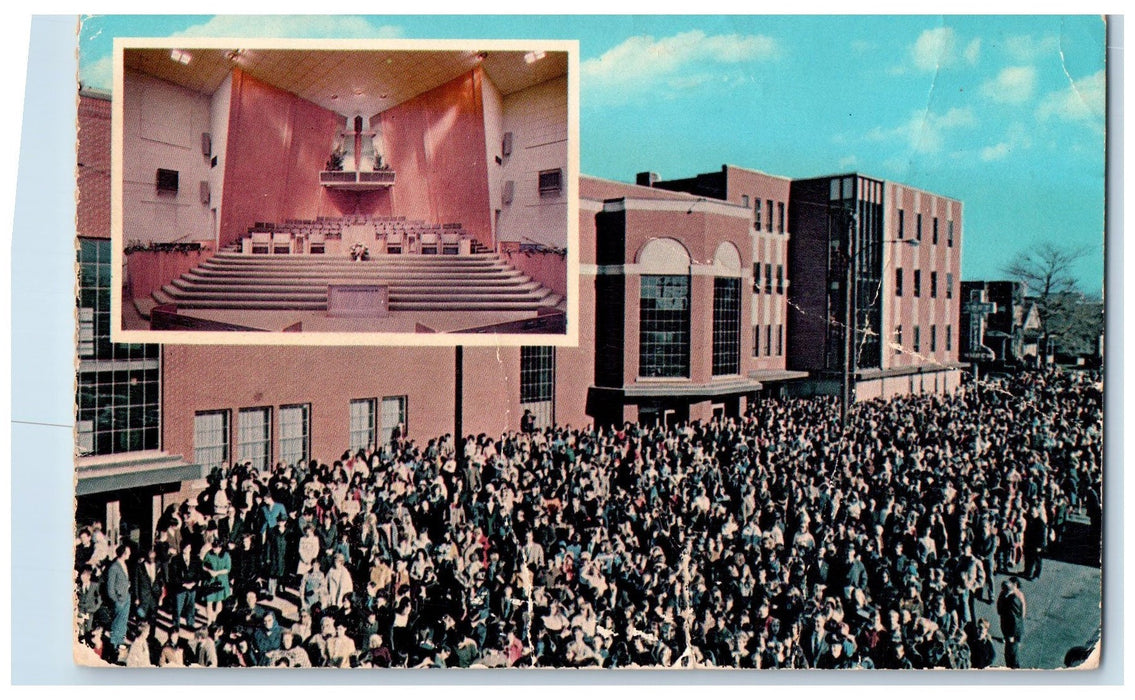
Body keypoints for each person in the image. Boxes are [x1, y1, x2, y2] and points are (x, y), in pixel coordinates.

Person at [104, 544, 132, 655]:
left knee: (123, 622)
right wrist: (116, 599)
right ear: (123, 553)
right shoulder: (114, 567)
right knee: (117, 623)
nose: (129, 554)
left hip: (126, 596)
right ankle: (114, 646)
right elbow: (110, 588)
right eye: (128, 552)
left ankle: (120, 642)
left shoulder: (124, 564)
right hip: (120, 599)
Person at [997, 577, 1026, 668]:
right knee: (1010, 651)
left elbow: (1015, 619)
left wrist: (1011, 635)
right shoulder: (1006, 596)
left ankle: (1014, 668)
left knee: (1012, 651)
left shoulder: (1013, 600)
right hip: (1009, 630)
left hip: (1012, 631)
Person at [201, 540, 232, 624]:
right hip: (210, 581)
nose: (214, 549)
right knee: (209, 601)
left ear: (220, 548)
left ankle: (216, 619)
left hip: (221, 581)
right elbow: (203, 565)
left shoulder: (226, 556)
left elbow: (228, 569)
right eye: (213, 547)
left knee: (219, 601)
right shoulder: (209, 554)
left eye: (216, 548)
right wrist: (209, 570)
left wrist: (217, 573)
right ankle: (209, 621)